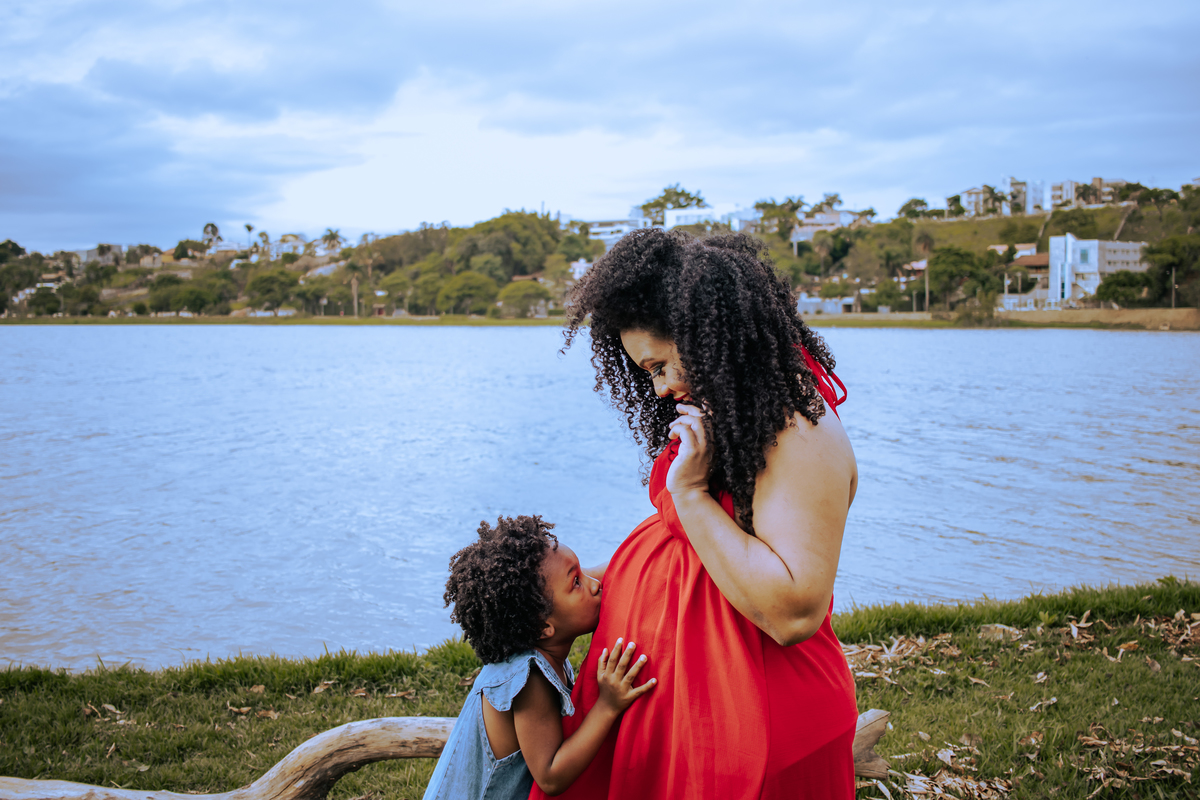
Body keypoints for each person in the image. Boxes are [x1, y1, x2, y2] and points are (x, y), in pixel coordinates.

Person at [532, 230, 859, 800]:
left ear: (708, 335)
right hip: (685, 713)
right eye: (647, 373)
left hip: (753, 725)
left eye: (660, 364)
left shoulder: (800, 433)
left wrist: (688, 492)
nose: (659, 387)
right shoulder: (742, 414)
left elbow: (794, 613)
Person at [423, 515, 656, 800]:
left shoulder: (535, 640)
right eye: (577, 582)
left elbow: (612, 570)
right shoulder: (530, 679)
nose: (595, 584)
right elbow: (551, 775)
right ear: (545, 627)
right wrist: (607, 706)